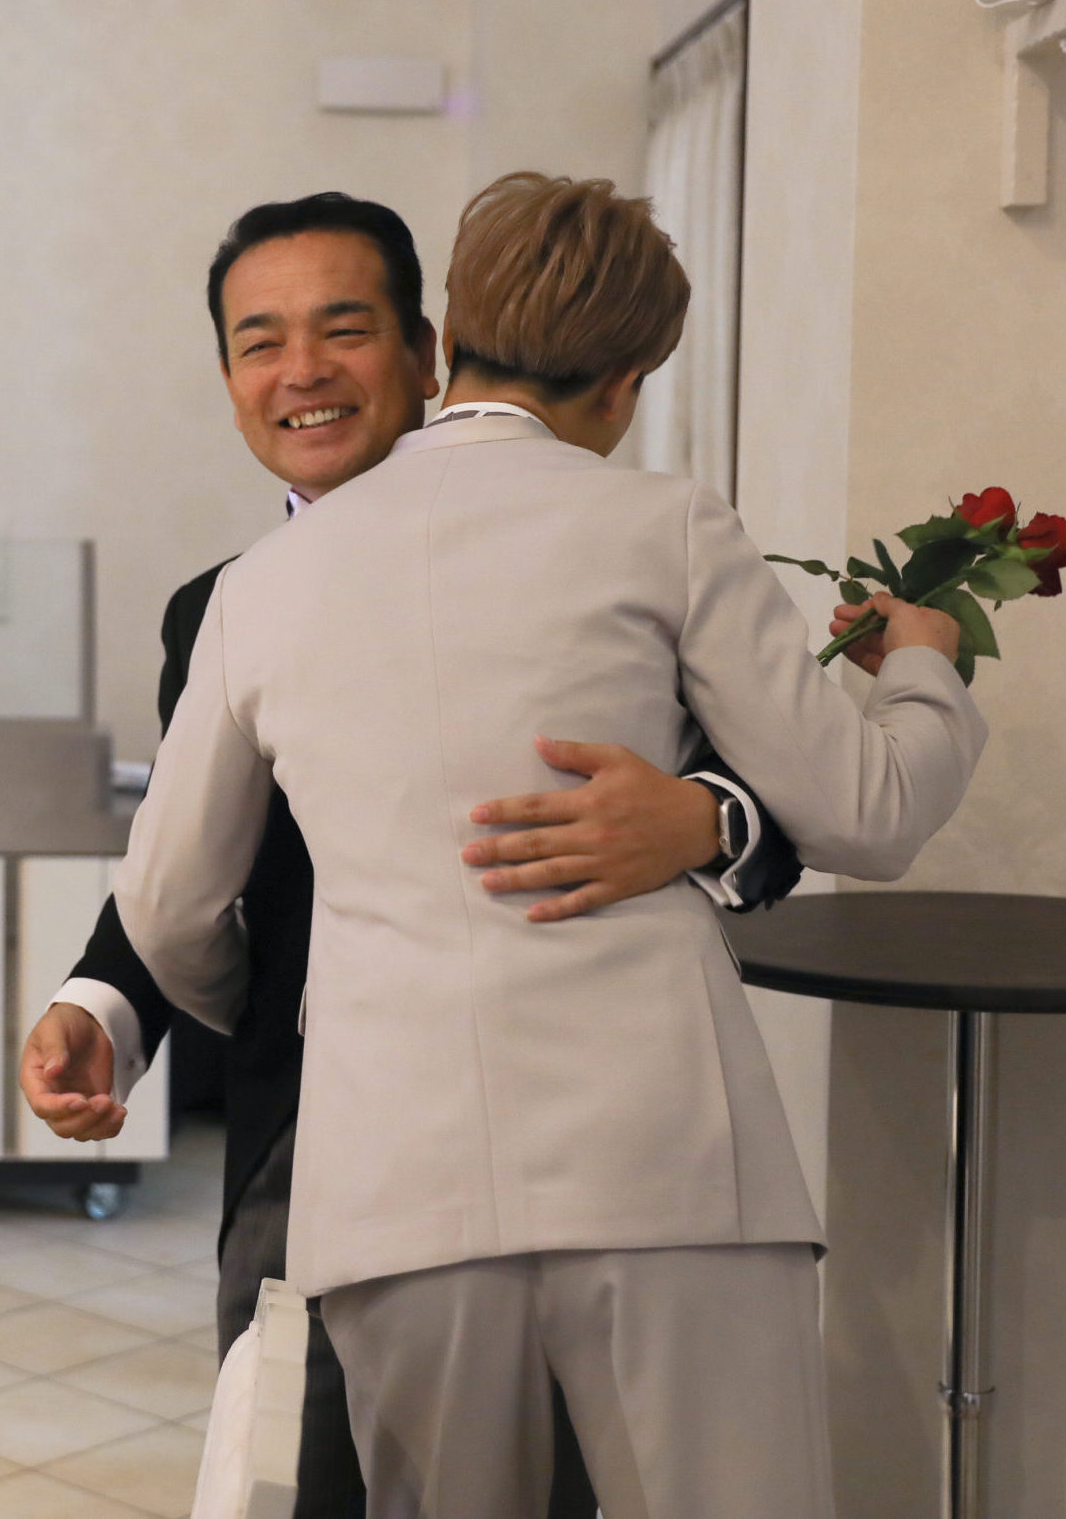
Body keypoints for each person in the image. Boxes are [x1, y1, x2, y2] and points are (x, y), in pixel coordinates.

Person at [109, 172, 986, 1518]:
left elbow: (170, 910)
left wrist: (327, 1011)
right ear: (628, 383)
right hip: (666, 1170)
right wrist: (925, 668)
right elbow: (868, 810)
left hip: (393, 1191)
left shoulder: (259, 588)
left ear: (447, 336)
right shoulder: (663, 525)